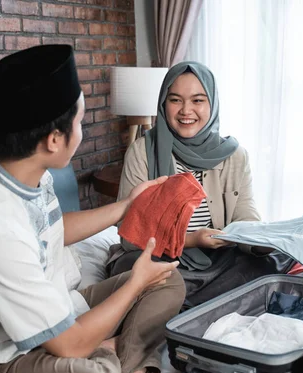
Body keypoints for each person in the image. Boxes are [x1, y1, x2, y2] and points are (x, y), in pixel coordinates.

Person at [0, 44, 185, 373]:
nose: (81, 131)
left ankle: (123, 370)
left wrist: (126, 206)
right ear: (53, 140)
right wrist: (134, 282)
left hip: (58, 306)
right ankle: (120, 370)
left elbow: (50, 229)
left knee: (167, 281)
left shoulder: (18, 168)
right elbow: (70, 345)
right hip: (4, 353)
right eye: (79, 122)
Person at [108, 61, 279, 308]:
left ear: (212, 104)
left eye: (198, 100)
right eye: (175, 100)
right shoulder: (142, 152)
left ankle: (189, 306)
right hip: (158, 259)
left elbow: (246, 216)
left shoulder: (235, 155)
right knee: (145, 276)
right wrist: (190, 240)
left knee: (270, 267)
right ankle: (209, 306)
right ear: (163, 104)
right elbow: (128, 234)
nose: (186, 110)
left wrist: (262, 243)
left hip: (215, 258)